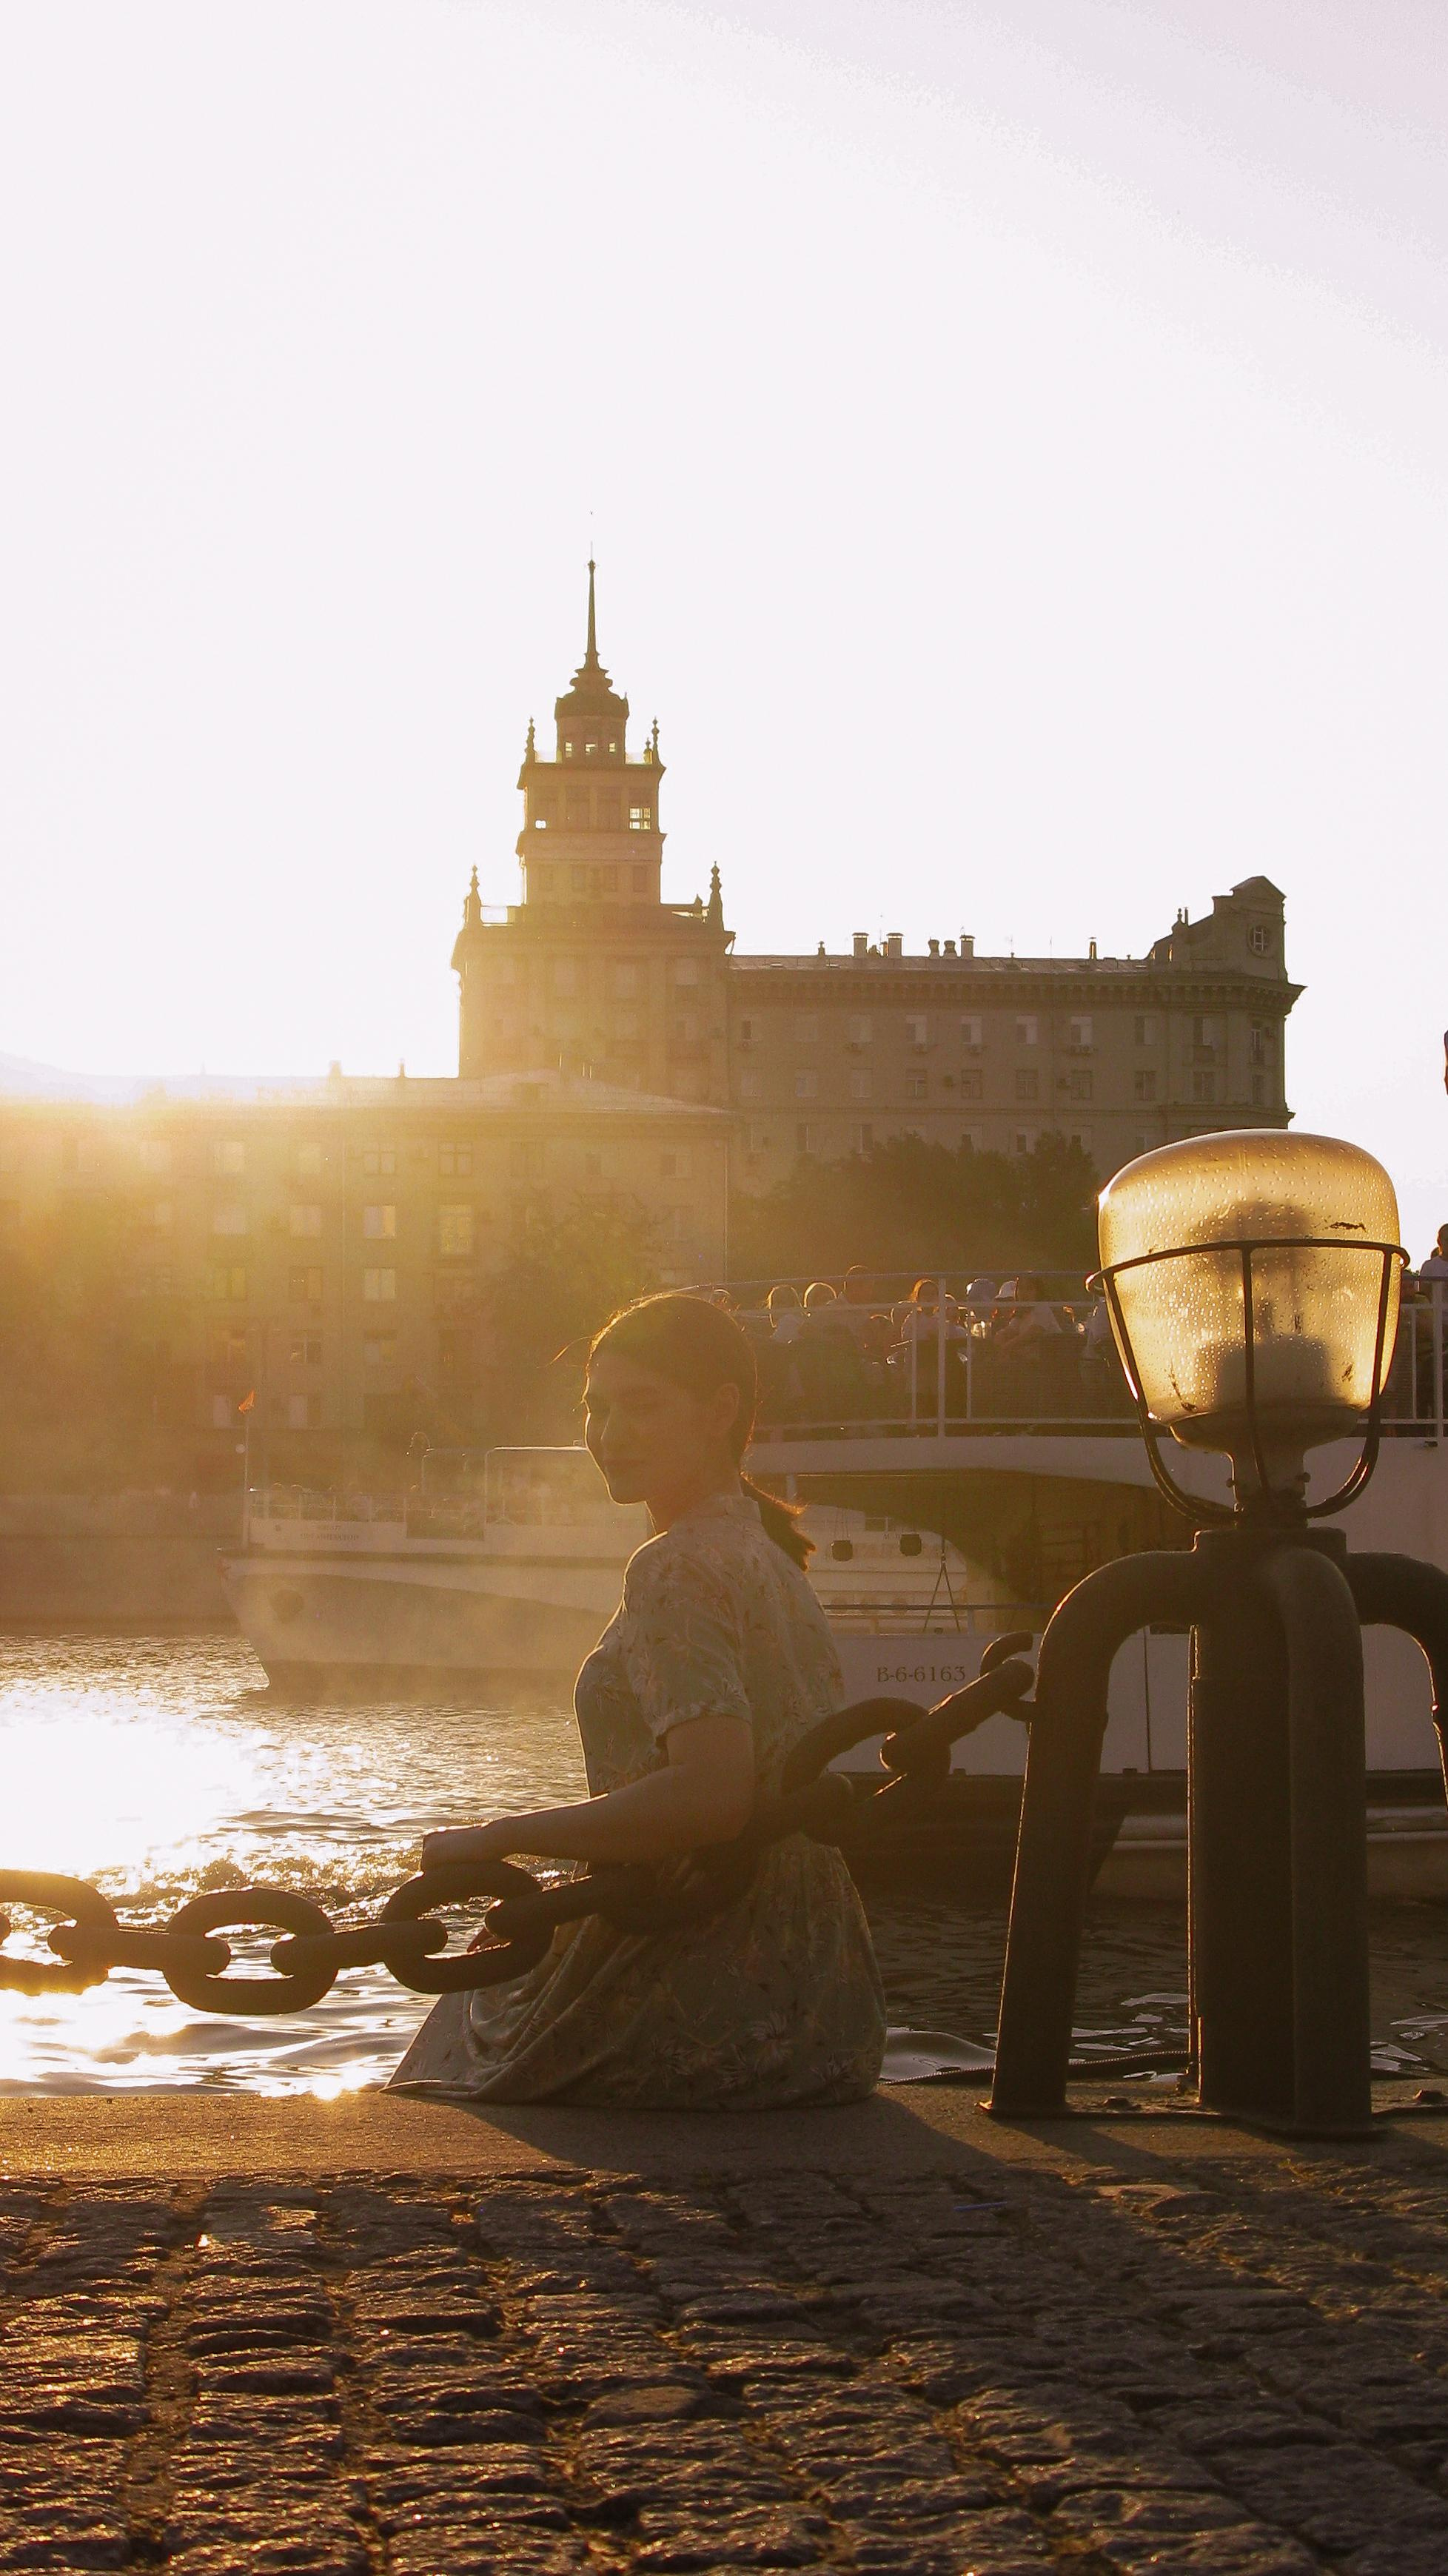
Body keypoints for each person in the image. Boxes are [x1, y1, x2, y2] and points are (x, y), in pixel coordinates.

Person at [388, 1292, 885, 2107]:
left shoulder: (675, 1566)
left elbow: (712, 1796)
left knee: (464, 2030)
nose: (610, 1435)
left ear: (720, 1411)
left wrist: (501, 1837)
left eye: (642, 1406)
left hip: (705, 1969)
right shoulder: (771, 1554)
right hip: (826, 1988)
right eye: (597, 1408)